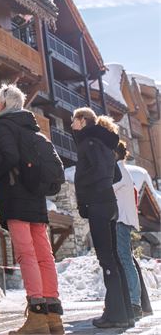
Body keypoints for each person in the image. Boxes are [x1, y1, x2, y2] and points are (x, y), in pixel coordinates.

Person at [0, 84, 64, 335]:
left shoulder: (3, 125)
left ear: (2, 104)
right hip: (37, 198)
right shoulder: (32, 128)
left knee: (25, 254)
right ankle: (53, 315)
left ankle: (36, 315)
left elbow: (9, 157)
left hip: (16, 196)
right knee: (44, 254)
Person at [71, 107, 133, 331]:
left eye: (74, 121)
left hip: (98, 204)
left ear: (83, 121)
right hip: (108, 203)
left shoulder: (90, 143)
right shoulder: (103, 142)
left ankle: (115, 316)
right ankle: (125, 313)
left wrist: (83, 190)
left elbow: (96, 172)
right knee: (114, 259)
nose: (71, 125)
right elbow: (113, 174)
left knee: (107, 260)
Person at [113, 141, 142, 319]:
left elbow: (109, 189)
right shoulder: (122, 169)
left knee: (125, 259)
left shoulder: (119, 170)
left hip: (121, 220)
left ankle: (134, 302)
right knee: (125, 259)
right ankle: (132, 300)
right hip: (122, 219)